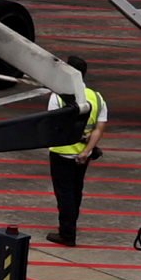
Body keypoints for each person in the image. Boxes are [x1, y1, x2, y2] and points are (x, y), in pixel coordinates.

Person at [48, 67, 110, 246]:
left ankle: (67, 233)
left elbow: (54, 125)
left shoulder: (58, 97)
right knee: (76, 190)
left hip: (62, 153)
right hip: (84, 154)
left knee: (64, 193)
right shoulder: (97, 97)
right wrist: (87, 151)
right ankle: (71, 225)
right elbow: (99, 128)